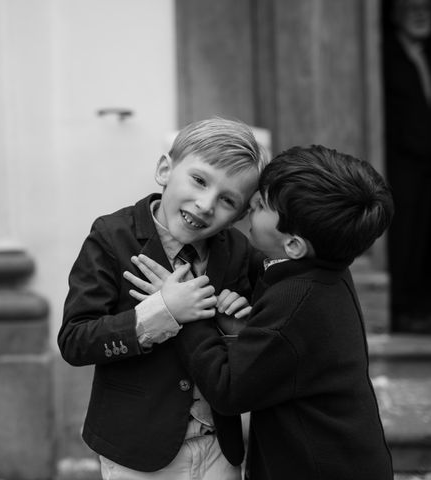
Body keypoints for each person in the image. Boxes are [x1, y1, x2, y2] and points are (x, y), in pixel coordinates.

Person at [126, 145, 395, 479]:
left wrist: (185, 313)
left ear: (294, 245)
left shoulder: (295, 301)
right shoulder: (327, 273)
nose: (250, 203)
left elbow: (228, 390)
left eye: (263, 204)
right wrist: (244, 330)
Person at [58, 117, 267, 480]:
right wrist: (162, 312)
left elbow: (259, 339)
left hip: (221, 445)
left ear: (241, 215)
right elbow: (75, 341)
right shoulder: (111, 237)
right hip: (139, 449)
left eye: (227, 200)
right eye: (199, 181)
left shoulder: (237, 251)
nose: (205, 205)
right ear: (165, 169)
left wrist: (236, 329)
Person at [383, 0, 431, 332]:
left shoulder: (429, 52)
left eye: (426, 7)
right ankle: (401, 311)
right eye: (411, 5)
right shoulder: (383, 55)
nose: (420, 13)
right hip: (401, 165)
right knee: (405, 237)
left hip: (428, 165)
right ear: (393, 12)